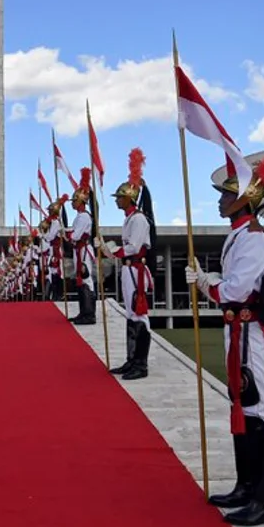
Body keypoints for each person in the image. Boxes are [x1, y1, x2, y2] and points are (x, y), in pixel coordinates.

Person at [185, 137, 264, 527]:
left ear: (246, 200)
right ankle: (247, 485)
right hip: (238, 331)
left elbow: (236, 291)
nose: (221, 200)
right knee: (240, 405)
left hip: (250, 333)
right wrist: (211, 281)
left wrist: (205, 282)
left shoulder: (253, 238)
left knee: (255, 410)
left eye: (227, 195)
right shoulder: (241, 234)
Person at [97, 149, 156, 380]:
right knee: (131, 314)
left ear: (129, 198)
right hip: (129, 268)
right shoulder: (129, 219)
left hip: (136, 269)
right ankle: (132, 359)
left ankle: (141, 364)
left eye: (119, 197)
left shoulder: (139, 219)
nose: (117, 200)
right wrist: (107, 249)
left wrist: (111, 250)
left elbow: (133, 247)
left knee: (139, 315)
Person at [66, 168, 96, 325]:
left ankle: (89, 314)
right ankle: (83, 312)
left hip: (83, 250)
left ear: (81, 201)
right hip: (79, 250)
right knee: (81, 280)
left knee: (86, 279)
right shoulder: (79, 217)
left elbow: (76, 236)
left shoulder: (84, 216)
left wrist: (68, 235)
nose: (73, 203)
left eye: (74, 200)